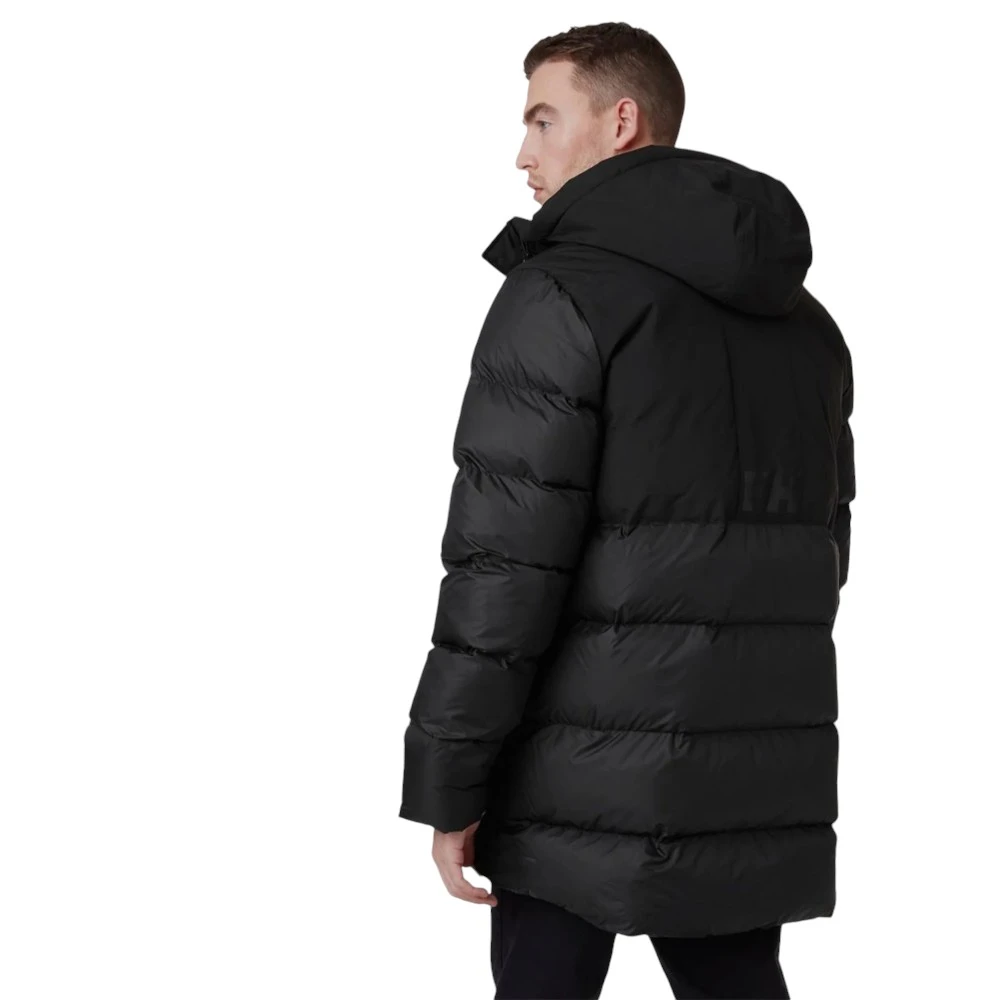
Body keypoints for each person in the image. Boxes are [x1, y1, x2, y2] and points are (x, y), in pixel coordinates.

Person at [398, 20, 855, 1000]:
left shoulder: (558, 296)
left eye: (541, 119)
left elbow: (502, 569)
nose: (521, 153)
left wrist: (451, 780)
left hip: (570, 775)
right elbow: (827, 554)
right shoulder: (803, 324)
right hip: (747, 773)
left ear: (619, 121)